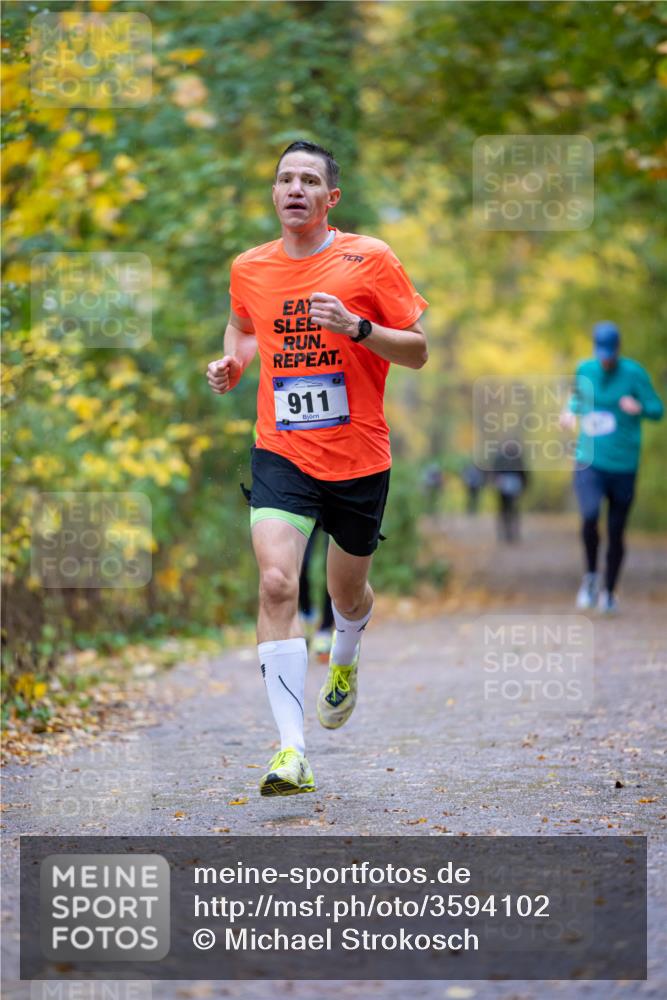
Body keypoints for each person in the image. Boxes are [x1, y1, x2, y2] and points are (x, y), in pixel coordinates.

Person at [206, 140, 428, 796]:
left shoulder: (370, 259)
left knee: (345, 596)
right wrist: (235, 363)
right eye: (284, 179)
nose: (293, 188)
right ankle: (290, 750)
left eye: (308, 180)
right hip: (282, 450)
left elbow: (416, 351)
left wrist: (358, 328)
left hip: (359, 456)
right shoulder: (249, 267)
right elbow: (243, 327)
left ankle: (345, 657)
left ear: (331, 199)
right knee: (276, 583)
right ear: (273, 194)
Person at [560, 321, 663, 614]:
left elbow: (658, 409)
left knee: (617, 530)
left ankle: (610, 592)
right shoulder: (585, 369)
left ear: (617, 350)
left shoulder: (634, 374)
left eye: (609, 354)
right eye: (601, 353)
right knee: (590, 516)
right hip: (589, 460)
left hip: (624, 465)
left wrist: (639, 407)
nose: (605, 360)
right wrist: (569, 412)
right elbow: (578, 397)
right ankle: (591, 577)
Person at [298, 522, 334, 659]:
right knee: (300, 561)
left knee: (332, 565)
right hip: (307, 503)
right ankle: (307, 614)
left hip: (335, 503)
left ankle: (325, 627)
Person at [492, 439, 529, 543]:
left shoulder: (517, 458)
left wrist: (524, 485)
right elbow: (495, 472)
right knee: (505, 509)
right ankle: (505, 532)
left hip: (514, 487)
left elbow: (523, 473)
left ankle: (512, 532)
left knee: (512, 509)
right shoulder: (501, 458)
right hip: (504, 487)